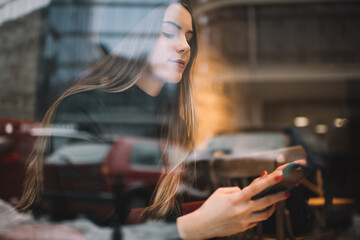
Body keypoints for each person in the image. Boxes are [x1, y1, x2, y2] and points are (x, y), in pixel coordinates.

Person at [16, 0, 306, 238]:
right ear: (134, 36)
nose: (184, 46)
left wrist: (227, 209)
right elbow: (92, 230)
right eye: (168, 32)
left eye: (188, 37)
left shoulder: (170, 122)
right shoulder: (80, 108)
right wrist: (196, 225)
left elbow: (149, 217)